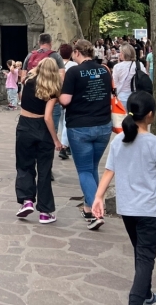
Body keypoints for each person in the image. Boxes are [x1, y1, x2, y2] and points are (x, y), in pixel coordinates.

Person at [92, 91, 156, 305]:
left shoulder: (119, 140)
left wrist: (98, 197)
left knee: (141, 254)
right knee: (146, 257)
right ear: (150, 115)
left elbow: (108, 172)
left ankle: (148, 296)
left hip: (127, 209)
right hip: (149, 209)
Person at [61, 39, 114, 230]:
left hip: (80, 127)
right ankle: (87, 206)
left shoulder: (74, 72)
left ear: (76, 52)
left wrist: (56, 94)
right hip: (103, 126)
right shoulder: (104, 70)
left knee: (84, 170)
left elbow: (65, 100)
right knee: (92, 167)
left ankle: (96, 211)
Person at [15, 57, 64, 224]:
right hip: (42, 129)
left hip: (24, 126)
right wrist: (56, 140)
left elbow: (22, 98)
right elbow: (48, 118)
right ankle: (45, 211)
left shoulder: (28, 81)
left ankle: (26, 200)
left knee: (24, 165)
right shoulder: (52, 89)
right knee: (44, 171)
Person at [112, 44, 148, 109]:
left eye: (121, 52)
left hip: (122, 97)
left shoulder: (117, 67)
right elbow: (144, 78)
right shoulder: (139, 65)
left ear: (124, 54)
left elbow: (115, 84)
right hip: (136, 97)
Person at [56, 43, 76, 160]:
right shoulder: (73, 65)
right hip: (69, 95)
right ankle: (64, 146)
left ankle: (65, 144)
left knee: (61, 121)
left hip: (57, 95)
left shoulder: (55, 64)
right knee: (66, 121)